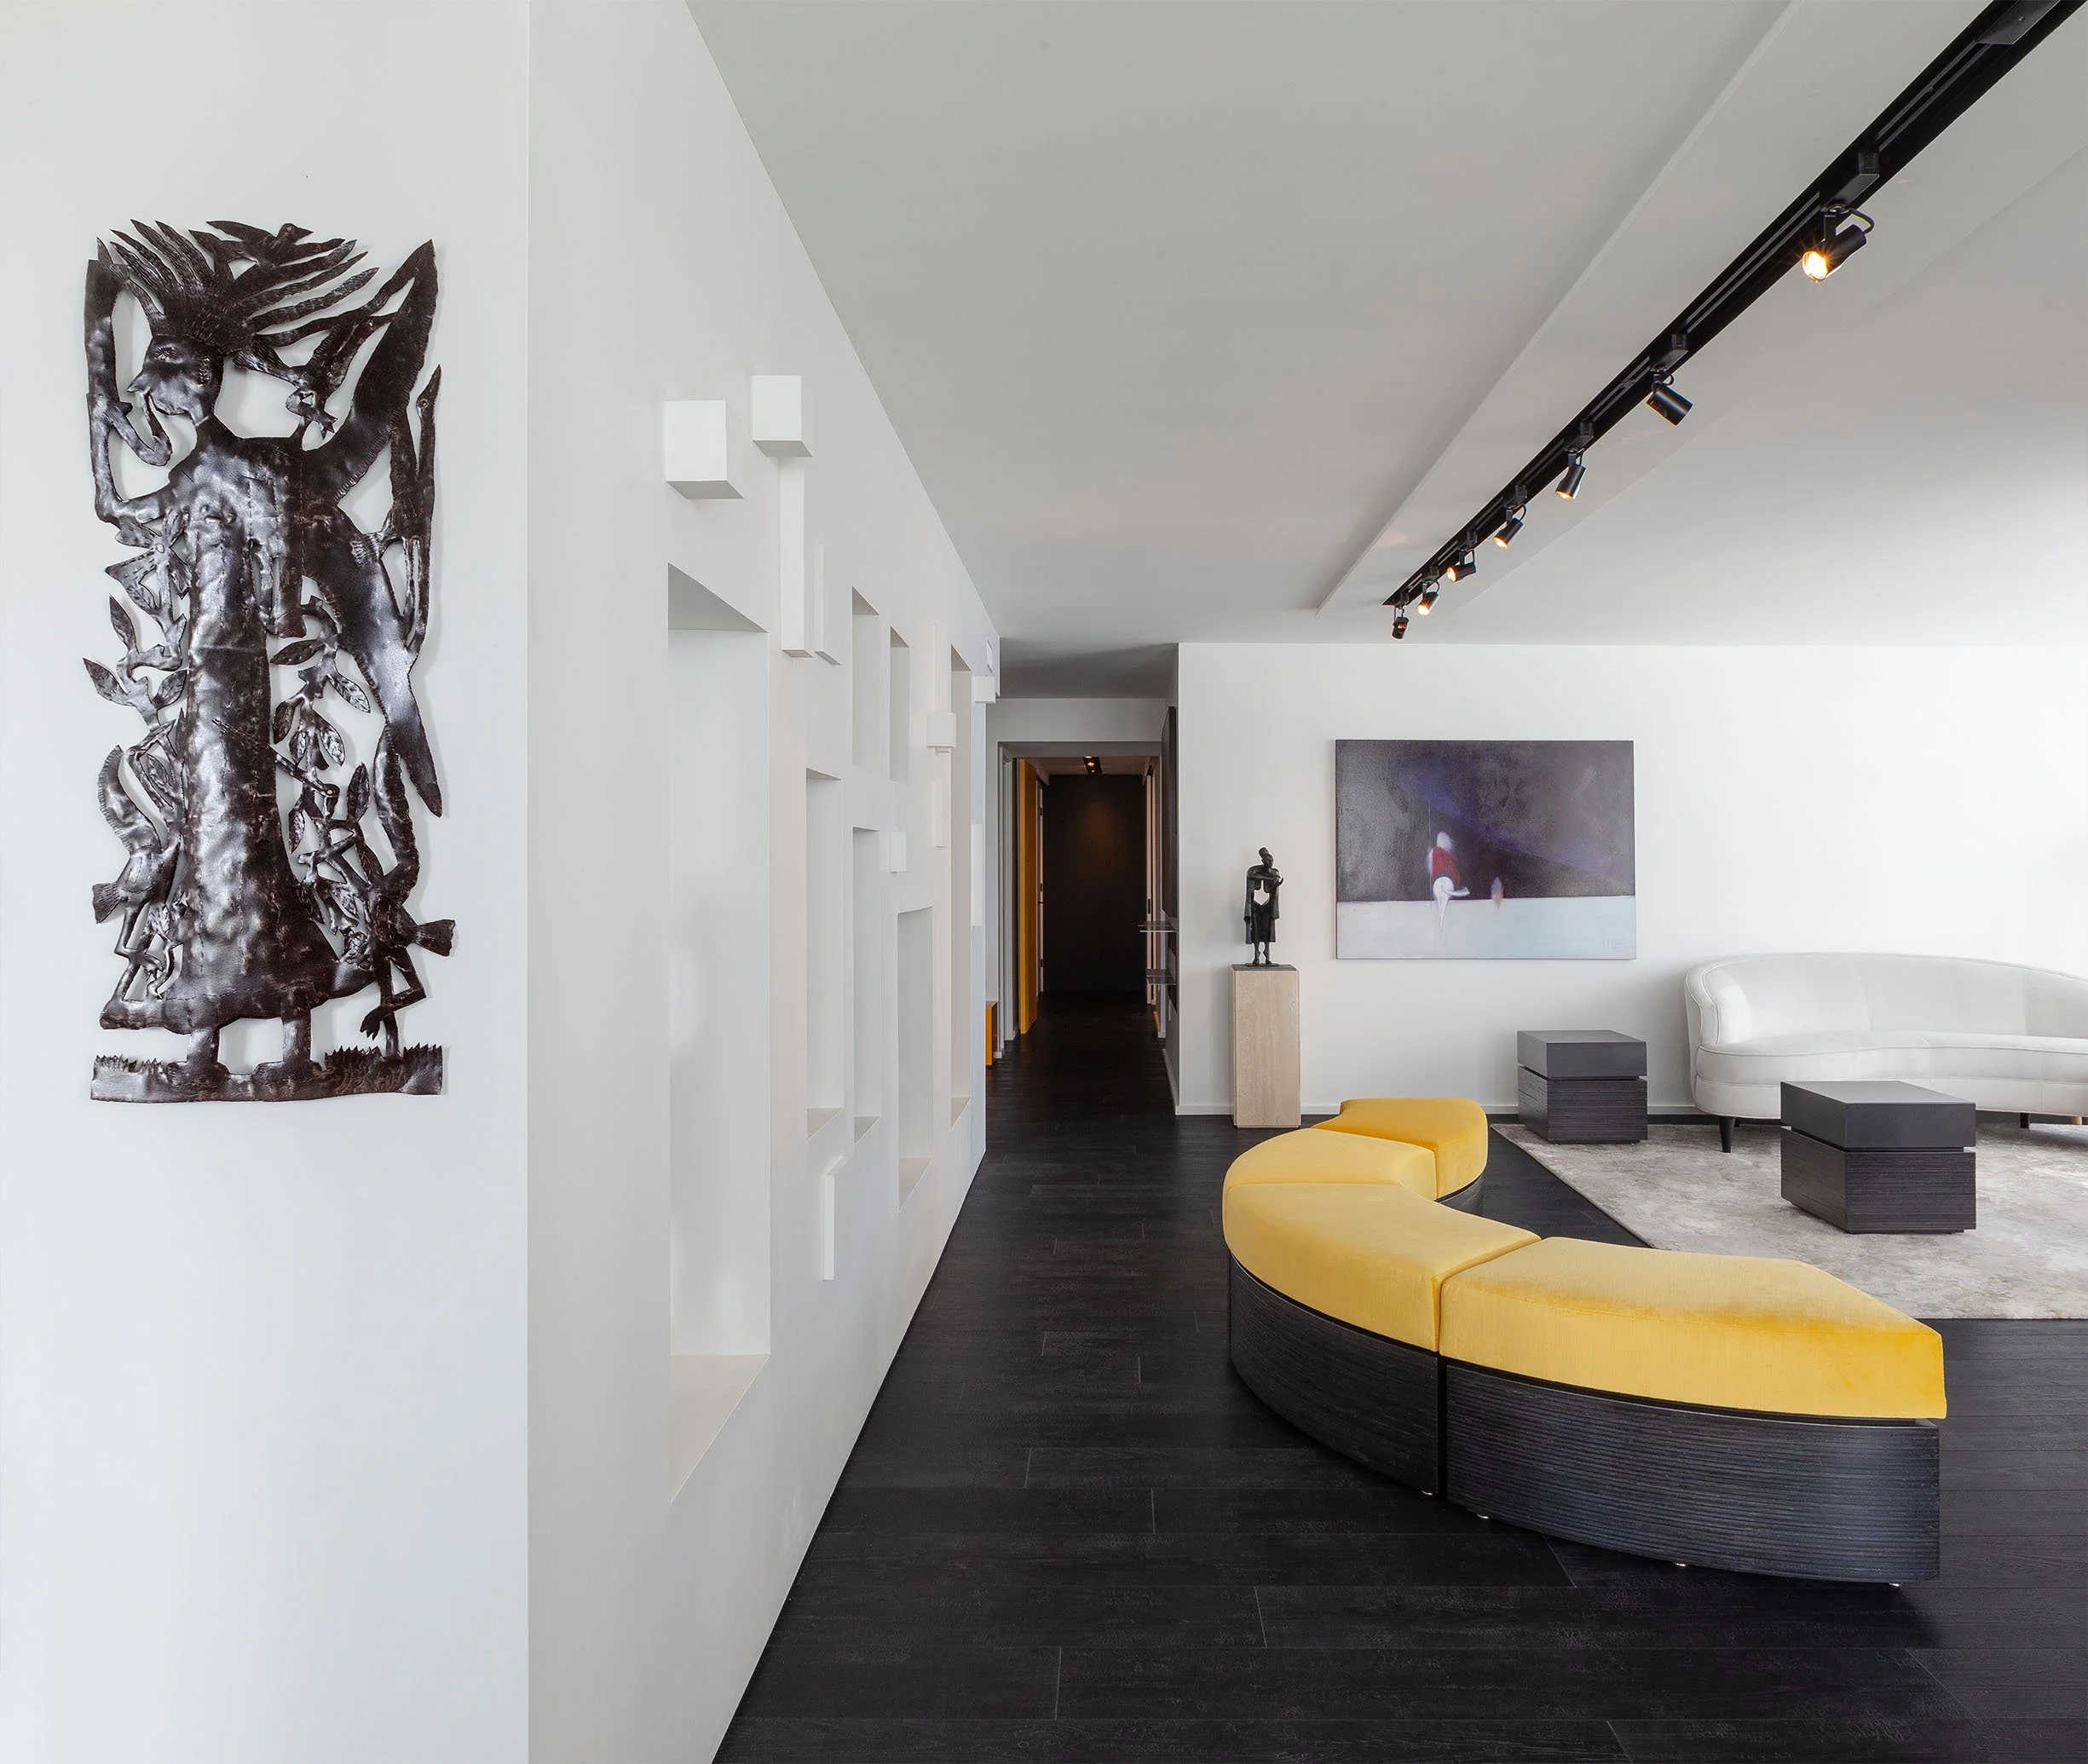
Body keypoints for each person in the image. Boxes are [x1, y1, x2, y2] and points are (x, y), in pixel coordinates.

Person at [1243, 848, 1282, 965]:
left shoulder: (1274, 873)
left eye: (1271, 860)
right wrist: (1269, 878)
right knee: (1255, 930)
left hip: (1267, 906)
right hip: (1255, 905)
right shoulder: (1254, 870)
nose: (1270, 862)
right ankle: (1256, 955)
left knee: (1266, 931)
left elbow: (1274, 894)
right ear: (1263, 861)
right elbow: (1250, 876)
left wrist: (1275, 885)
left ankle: (1267, 955)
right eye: (1267, 860)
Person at [1429, 832, 1469, 932]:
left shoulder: (1434, 852)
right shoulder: (1449, 855)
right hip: (1447, 882)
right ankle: (1441, 929)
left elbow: (1431, 869)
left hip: (1439, 883)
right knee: (1442, 909)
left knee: (1441, 908)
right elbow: (1455, 874)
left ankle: (1440, 929)